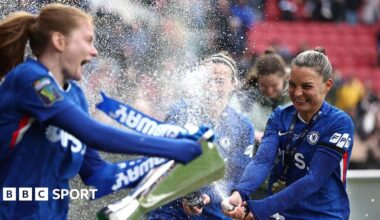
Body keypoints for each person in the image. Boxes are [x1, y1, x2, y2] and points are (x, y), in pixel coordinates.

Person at [0, 4, 209, 219]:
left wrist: (164, 175)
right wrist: (173, 147)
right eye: (88, 40)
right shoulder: (31, 79)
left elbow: (99, 175)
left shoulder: (76, 97)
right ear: (59, 41)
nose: (94, 51)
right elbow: (93, 133)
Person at [223, 48, 354, 220]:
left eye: (306, 86)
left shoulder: (339, 123)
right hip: (281, 214)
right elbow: (262, 160)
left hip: (324, 215)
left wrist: (260, 209)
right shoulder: (279, 116)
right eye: (292, 85)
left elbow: (313, 179)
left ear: (327, 85)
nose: (297, 93)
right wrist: (240, 193)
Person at [148, 53, 255, 219]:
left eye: (219, 81)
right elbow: (161, 160)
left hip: (214, 212)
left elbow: (237, 178)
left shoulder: (243, 127)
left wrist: (208, 196)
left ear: (234, 84)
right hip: (170, 208)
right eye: (208, 80)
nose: (212, 87)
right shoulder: (180, 112)